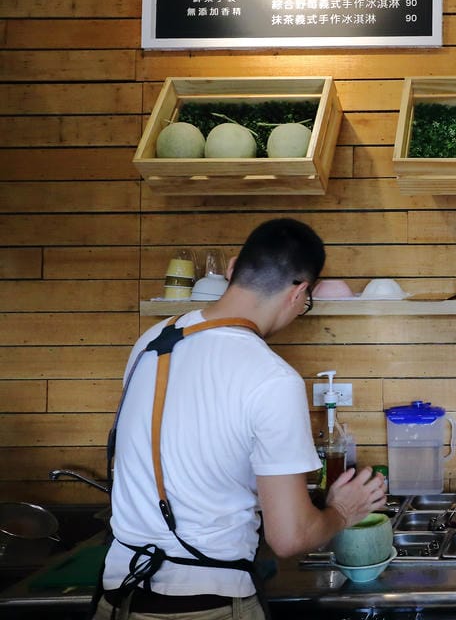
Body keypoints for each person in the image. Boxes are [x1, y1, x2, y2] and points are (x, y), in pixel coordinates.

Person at [95, 218, 387, 620]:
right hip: (206, 606)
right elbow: (289, 538)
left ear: (233, 268)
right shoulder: (272, 377)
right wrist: (342, 510)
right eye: (307, 302)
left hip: (117, 597)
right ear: (299, 292)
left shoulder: (153, 340)